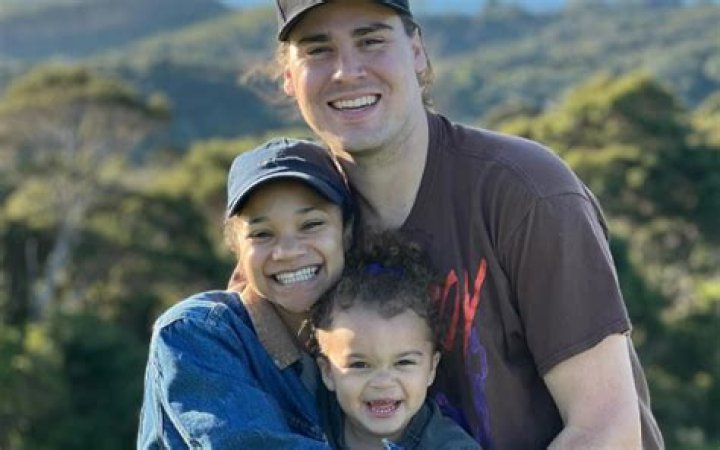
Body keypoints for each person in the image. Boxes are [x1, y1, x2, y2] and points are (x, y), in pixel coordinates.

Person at [233, 0, 665, 448]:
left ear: (417, 50)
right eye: (318, 50)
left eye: (371, 40)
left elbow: (607, 430)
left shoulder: (525, 193)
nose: (347, 71)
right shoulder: (298, 232)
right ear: (289, 77)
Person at [137, 137, 355, 449]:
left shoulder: (376, 334)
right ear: (236, 246)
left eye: (311, 225)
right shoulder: (194, 333)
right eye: (262, 234)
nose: (287, 252)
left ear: (346, 232)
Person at [310, 232, 481, 449]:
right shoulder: (306, 420)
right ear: (327, 372)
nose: (383, 382)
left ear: (431, 368)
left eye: (403, 362)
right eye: (360, 365)